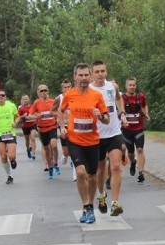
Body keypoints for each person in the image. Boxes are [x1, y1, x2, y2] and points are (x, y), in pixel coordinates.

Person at [58, 63, 110, 224]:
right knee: (81, 172)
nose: (84, 78)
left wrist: (100, 115)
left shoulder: (96, 96)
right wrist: (62, 127)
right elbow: (61, 111)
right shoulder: (69, 95)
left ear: (90, 76)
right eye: (80, 75)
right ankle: (86, 206)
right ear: (75, 77)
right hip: (74, 141)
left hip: (93, 141)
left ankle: (90, 205)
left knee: (92, 176)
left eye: (86, 75)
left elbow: (107, 119)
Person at [91, 61, 128, 216]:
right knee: (100, 170)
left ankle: (114, 203)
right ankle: (101, 195)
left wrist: (122, 113)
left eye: (103, 71)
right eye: (97, 71)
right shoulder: (89, 91)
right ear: (92, 74)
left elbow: (119, 99)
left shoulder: (113, 87)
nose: (100, 74)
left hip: (114, 132)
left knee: (116, 167)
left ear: (106, 72)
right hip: (97, 136)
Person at [122, 77, 150, 184]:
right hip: (127, 129)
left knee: (140, 150)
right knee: (130, 152)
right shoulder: (122, 98)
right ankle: (133, 162)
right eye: (130, 85)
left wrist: (146, 113)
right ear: (126, 86)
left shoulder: (141, 96)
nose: (132, 87)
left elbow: (144, 105)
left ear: (136, 86)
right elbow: (119, 110)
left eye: (134, 85)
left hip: (138, 128)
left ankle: (141, 172)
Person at [30, 84, 60, 179]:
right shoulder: (36, 103)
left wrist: (59, 119)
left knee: (54, 145)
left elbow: (59, 112)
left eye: (45, 90)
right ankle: (50, 167)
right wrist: (35, 116)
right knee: (46, 149)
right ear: (38, 93)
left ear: (48, 91)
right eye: (41, 91)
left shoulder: (52, 101)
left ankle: (55, 163)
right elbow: (30, 115)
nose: (43, 93)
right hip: (42, 128)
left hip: (52, 126)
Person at [18, 94, 38, 160]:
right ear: (22, 100)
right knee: (27, 140)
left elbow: (36, 114)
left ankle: (33, 153)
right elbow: (19, 118)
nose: (25, 100)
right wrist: (22, 116)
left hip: (33, 125)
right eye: (24, 99)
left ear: (29, 99)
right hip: (25, 125)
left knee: (33, 138)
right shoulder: (21, 108)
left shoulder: (32, 107)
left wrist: (34, 118)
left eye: (26, 99)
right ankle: (28, 149)